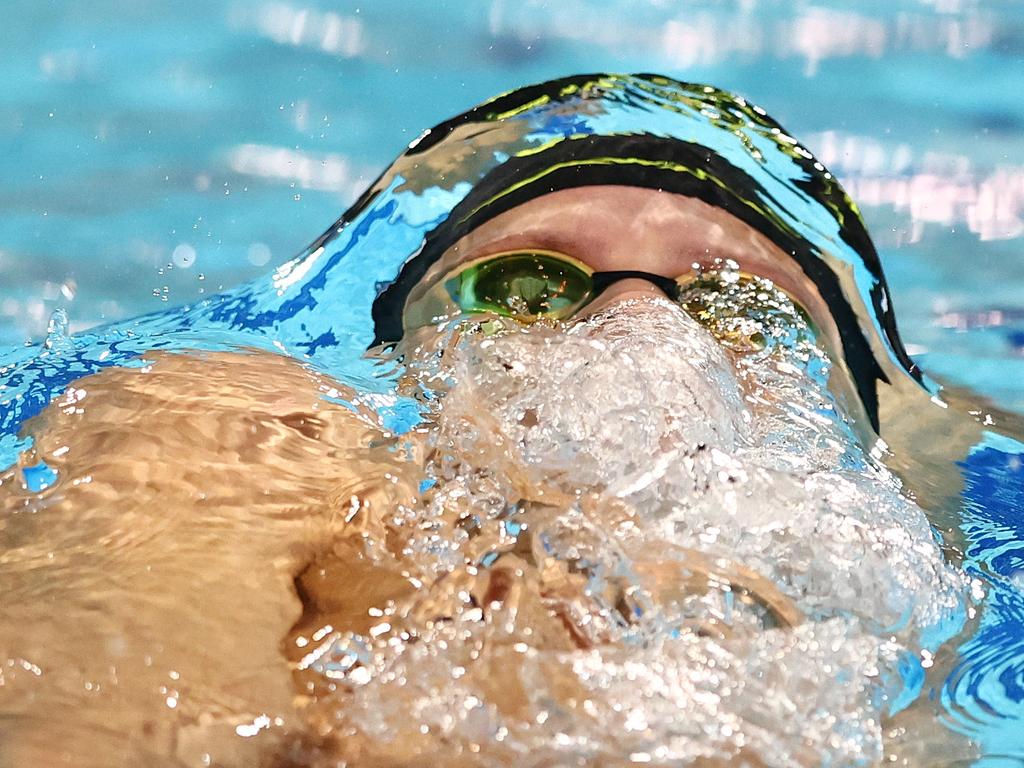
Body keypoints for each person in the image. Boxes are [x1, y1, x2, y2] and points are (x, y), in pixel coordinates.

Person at [0, 74, 998, 767]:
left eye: (746, 307)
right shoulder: (256, 438)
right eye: (522, 285)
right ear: (402, 368)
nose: (637, 321)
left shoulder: (949, 577)